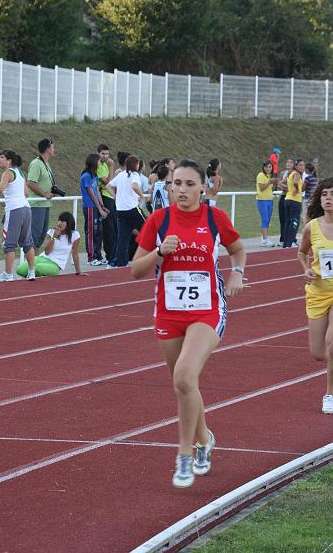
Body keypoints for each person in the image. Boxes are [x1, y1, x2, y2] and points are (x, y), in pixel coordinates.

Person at [131, 159, 245, 488]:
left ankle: (185, 453)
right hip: (168, 312)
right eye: (176, 184)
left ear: (202, 188)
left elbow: (237, 250)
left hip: (206, 310)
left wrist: (237, 271)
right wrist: (159, 253)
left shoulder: (214, 218)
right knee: (184, 384)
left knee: (183, 376)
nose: (181, 190)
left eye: (189, 184)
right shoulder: (159, 219)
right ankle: (206, 436)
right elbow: (135, 269)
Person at [297, 178, 333, 414]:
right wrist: (306, 268)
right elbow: (302, 252)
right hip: (318, 292)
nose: (328, 198)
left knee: (332, 345)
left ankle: (329, 394)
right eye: (325, 194)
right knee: (319, 352)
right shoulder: (313, 226)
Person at [0, 150, 35, 282]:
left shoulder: (7, 173)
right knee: (26, 242)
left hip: (14, 210)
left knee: (9, 244)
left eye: (1, 157)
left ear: (9, 160)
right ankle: (32, 272)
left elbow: (0, 189)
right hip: (26, 209)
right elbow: (26, 193)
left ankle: (8, 274)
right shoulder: (20, 173)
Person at [107, 155, 146, 267]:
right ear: (136, 164)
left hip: (120, 211)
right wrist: (141, 195)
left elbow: (108, 186)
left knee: (122, 239)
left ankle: (120, 264)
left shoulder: (121, 175)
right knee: (148, 229)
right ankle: (157, 255)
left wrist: (116, 197)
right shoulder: (135, 175)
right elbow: (134, 186)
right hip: (132, 209)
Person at [16, 212, 82, 278]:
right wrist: (54, 236)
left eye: (62, 221)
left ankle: (30, 277)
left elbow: (75, 254)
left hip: (55, 264)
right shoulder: (52, 232)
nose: (60, 223)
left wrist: (78, 271)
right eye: (59, 220)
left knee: (38, 268)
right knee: (20, 270)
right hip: (42, 257)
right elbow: (47, 252)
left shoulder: (75, 235)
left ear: (69, 223)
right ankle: (30, 277)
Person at [27, 138, 55, 253]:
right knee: (35, 235)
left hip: (45, 204)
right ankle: (31, 266)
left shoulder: (46, 164)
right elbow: (30, 182)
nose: (54, 150)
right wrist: (44, 193)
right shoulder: (36, 163)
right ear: (47, 149)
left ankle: (35, 262)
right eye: (53, 148)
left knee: (41, 236)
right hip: (36, 205)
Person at [80, 153, 108, 266]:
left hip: (96, 206)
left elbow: (97, 191)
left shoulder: (94, 175)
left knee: (98, 231)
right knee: (91, 231)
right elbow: (91, 194)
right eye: (98, 161)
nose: (100, 163)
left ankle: (98, 255)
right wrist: (99, 208)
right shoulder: (86, 176)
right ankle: (91, 258)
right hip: (90, 207)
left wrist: (102, 205)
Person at [97, 143, 117, 264]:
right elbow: (108, 182)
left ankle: (112, 253)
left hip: (110, 196)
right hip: (105, 197)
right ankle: (109, 254)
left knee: (113, 227)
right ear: (98, 153)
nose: (105, 156)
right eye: (103, 153)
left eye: (107, 154)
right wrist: (111, 166)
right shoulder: (99, 165)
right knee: (108, 227)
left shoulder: (104, 164)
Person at [283, 159, 305, 248]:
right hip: (295, 201)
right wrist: (296, 188)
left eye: (303, 165)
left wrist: (298, 188)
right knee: (294, 221)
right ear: (296, 166)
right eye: (300, 165)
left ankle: (285, 243)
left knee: (288, 222)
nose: (302, 167)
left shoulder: (290, 174)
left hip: (287, 199)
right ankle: (290, 242)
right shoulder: (296, 174)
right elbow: (295, 182)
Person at [256, 161, 276, 247]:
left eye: (270, 167)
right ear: (263, 167)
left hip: (270, 199)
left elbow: (271, 189)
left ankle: (265, 238)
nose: (268, 169)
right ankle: (264, 239)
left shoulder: (270, 176)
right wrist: (269, 182)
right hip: (262, 200)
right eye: (267, 167)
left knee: (268, 220)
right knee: (265, 219)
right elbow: (261, 188)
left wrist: (273, 183)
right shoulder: (261, 175)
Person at [278, 158, 294, 247]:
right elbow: (279, 183)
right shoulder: (282, 173)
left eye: (290, 162)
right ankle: (282, 238)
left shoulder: (294, 174)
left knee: (290, 220)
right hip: (283, 197)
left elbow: (291, 188)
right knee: (282, 219)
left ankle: (291, 239)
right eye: (287, 162)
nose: (288, 163)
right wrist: (285, 187)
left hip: (291, 198)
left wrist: (284, 186)